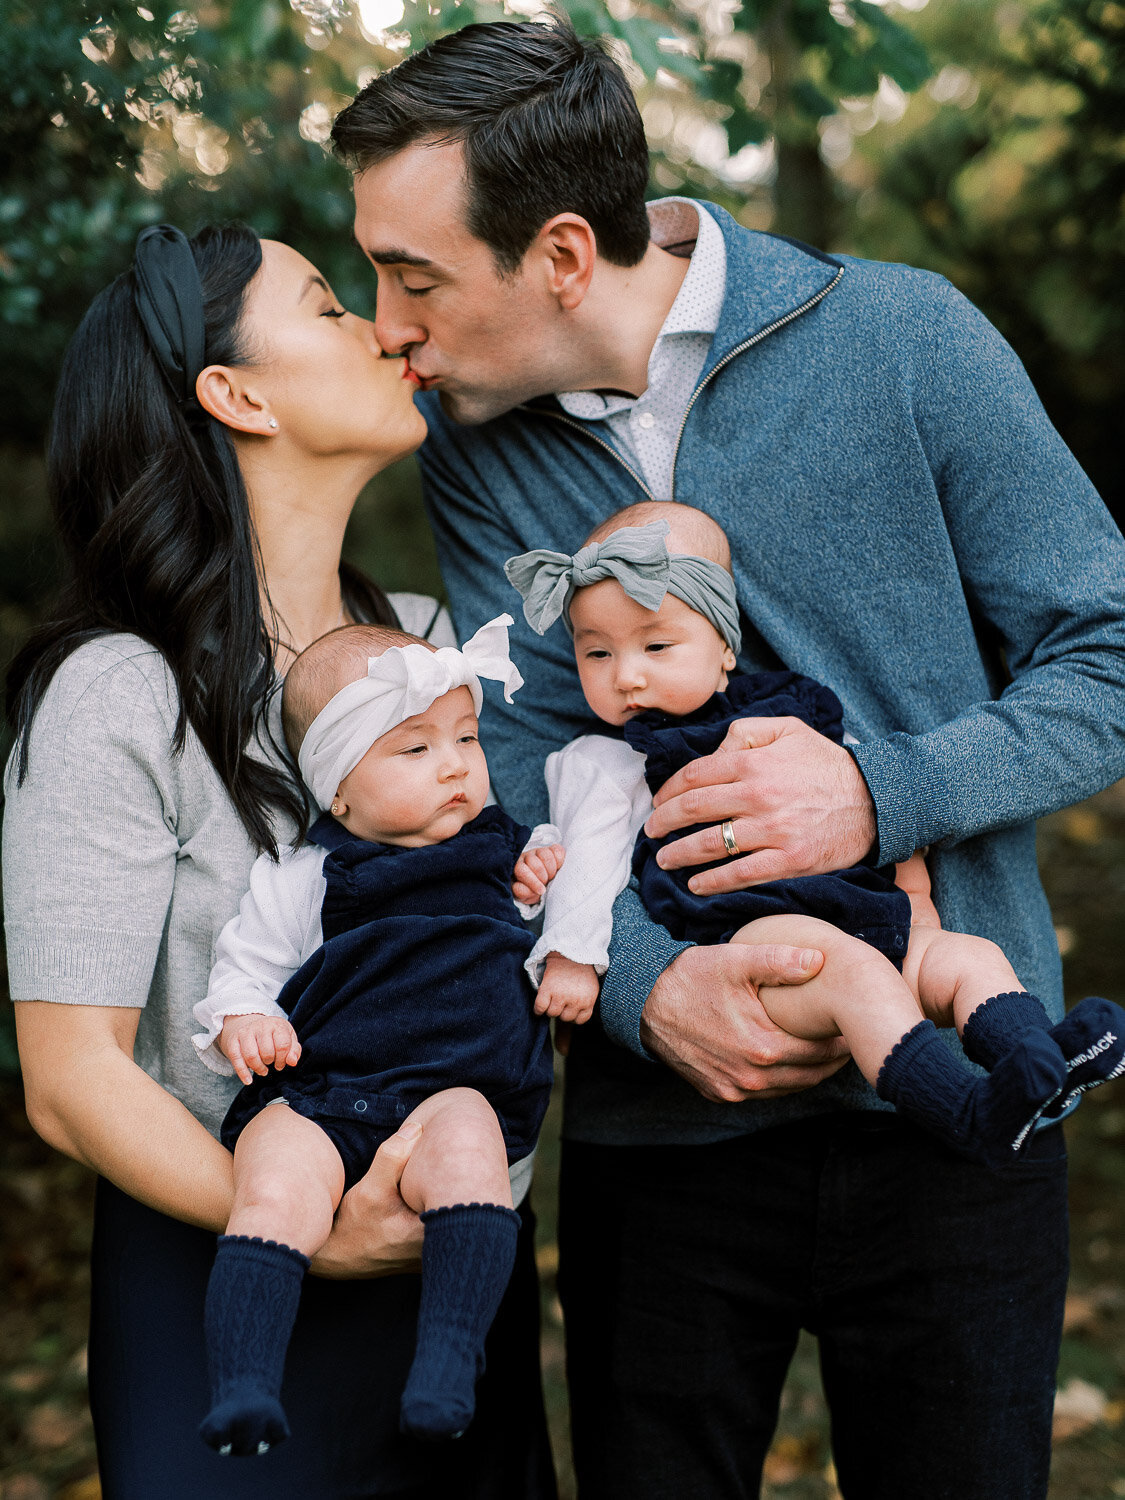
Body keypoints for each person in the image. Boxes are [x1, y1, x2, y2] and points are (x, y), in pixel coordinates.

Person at [330, 19, 1125, 1498]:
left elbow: (1109, 654)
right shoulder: (475, 450)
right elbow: (516, 767)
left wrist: (882, 790)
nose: (389, 325)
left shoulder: (904, 339)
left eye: (413, 275)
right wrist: (643, 987)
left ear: (562, 254)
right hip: (665, 1134)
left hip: (952, 1107)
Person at [3, 223, 557, 1498]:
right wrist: (321, 1234)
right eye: (324, 306)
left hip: (453, 1273)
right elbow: (71, 1077)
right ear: (236, 394)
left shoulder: (425, 646)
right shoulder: (115, 692)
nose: (381, 326)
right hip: (220, 1275)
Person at [505, 501, 1125, 1161]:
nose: (625, 673)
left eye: (656, 645)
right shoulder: (606, 762)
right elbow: (587, 863)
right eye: (596, 652)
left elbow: (857, 784)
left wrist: (903, 862)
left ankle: (1041, 1066)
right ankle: (966, 1111)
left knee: (968, 958)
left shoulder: (787, 710)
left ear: (721, 648)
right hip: (751, 936)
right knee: (857, 976)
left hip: (872, 913)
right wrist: (572, 958)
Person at [192, 616, 558, 1452]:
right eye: (415, 749)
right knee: (274, 1188)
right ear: (339, 789)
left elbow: (548, 935)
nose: (457, 764)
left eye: (466, 737)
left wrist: (539, 889)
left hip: (454, 1092)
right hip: (324, 1090)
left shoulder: (505, 852)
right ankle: (242, 1384)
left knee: (473, 1158)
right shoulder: (305, 876)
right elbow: (243, 968)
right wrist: (246, 1018)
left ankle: (448, 1362)